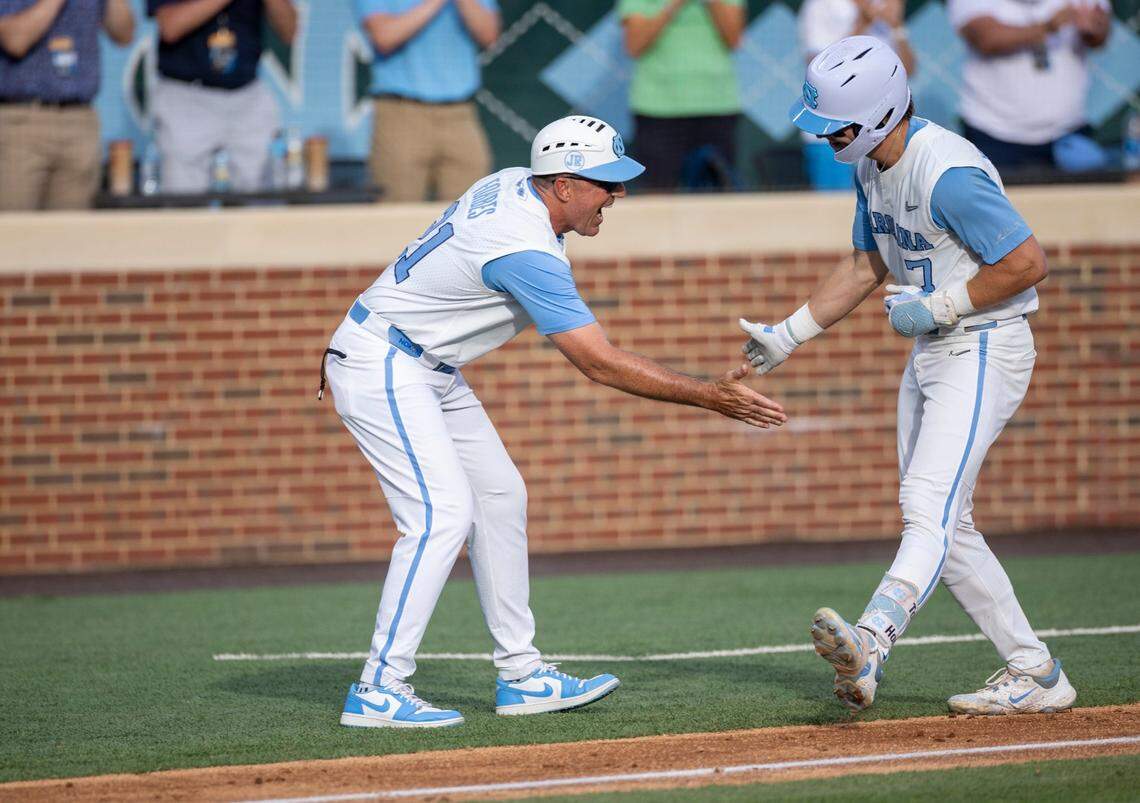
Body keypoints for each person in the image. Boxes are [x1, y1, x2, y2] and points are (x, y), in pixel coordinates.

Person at [322, 115, 786, 728]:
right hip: (387, 362)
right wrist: (710, 396)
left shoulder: (518, 182)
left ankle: (522, 676)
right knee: (440, 515)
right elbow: (598, 362)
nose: (617, 194)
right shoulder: (525, 249)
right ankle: (379, 686)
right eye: (605, 183)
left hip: (420, 361)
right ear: (563, 185)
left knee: (500, 498)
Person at [742, 36, 1075, 715]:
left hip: (984, 344)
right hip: (936, 350)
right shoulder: (872, 166)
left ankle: (873, 638)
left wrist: (943, 304)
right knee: (948, 527)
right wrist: (787, 334)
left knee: (927, 507)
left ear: (875, 111)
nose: (823, 136)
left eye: (833, 123)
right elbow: (867, 262)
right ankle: (1036, 671)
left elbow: (1027, 262)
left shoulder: (946, 171)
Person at [356, 0, 499, 203]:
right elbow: (384, 37)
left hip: (460, 114)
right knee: (396, 214)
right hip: (401, 113)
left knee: (472, 212)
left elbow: (489, 35)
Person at [147, 0, 297, 193]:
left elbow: (289, 31)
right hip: (186, 97)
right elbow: (170, 27)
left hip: (247, 94)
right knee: (182, 201)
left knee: (262, 200)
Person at [948, 0, 1111, 175]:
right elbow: (986, 39)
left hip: (1067, 133)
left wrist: (1092, 27)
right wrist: (1048, 26)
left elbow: (1099, 36)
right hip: (993, 134)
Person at [0, 0, 134, 210]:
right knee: (13, 230)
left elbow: (124, 34)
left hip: (80, 121)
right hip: (23, 121)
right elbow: (15, 40)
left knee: (72, 234)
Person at [619, 0, 744, 192]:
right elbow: (634, 44)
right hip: (656, 107)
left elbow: (734, 38)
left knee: (721, 198)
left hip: (717, 104)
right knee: (656, 201)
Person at [796, 0, 915, 190]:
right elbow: (817, 67)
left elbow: (908, 69)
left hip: (882, 134)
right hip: (834, 132)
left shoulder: (884, 5)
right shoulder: (820, 6)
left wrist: (897, 27)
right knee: (833, 214)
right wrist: (863, 22)